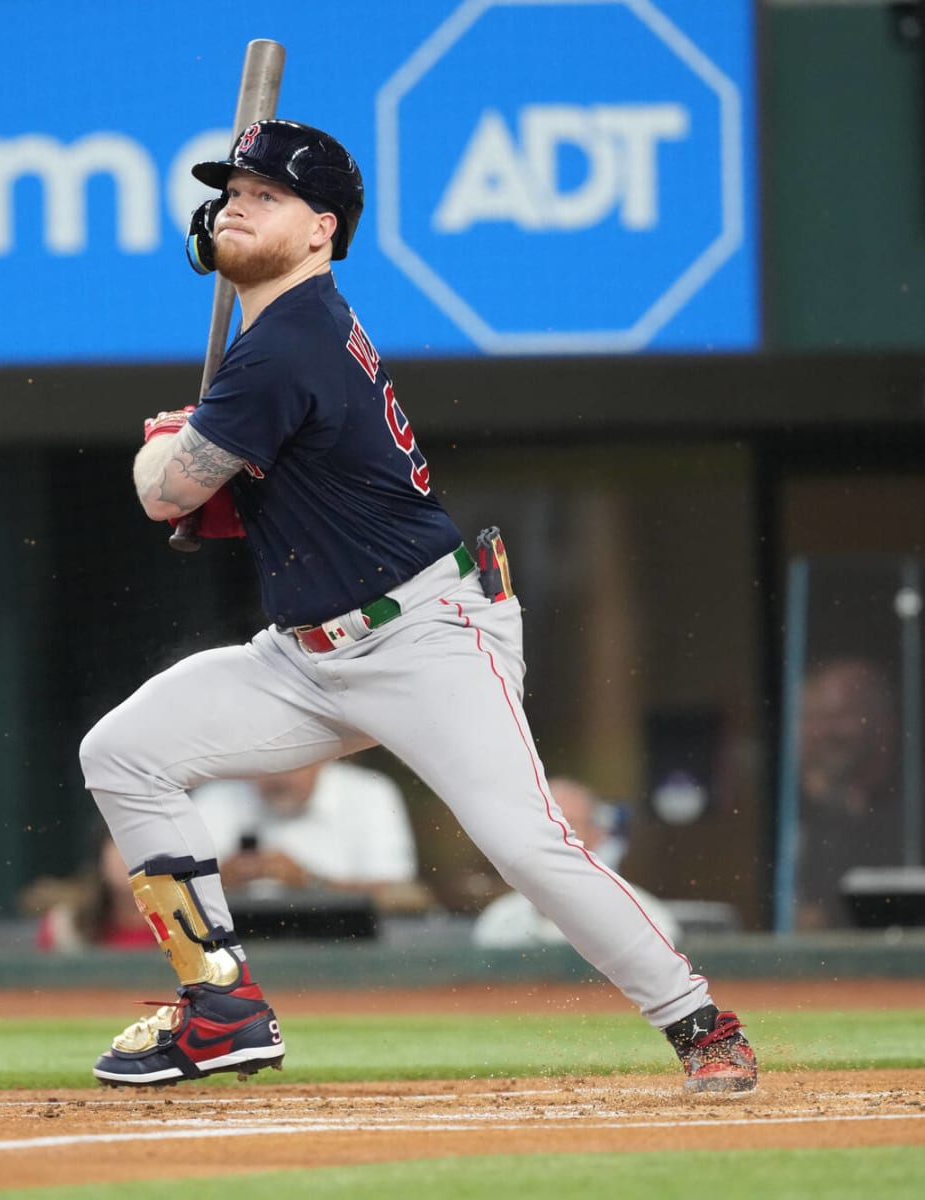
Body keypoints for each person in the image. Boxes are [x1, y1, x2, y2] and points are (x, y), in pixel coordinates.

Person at [78, 119, 756, 1094]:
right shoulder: (283, 340)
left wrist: (173, 443)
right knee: (122, 753)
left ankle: (701, 1023)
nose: (239, 202)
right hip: (307, 656)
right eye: (233, 190)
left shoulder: (287, 343)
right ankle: (220, 1003)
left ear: (321, 229)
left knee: (526, 844)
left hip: (426, 635)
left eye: (266, 194)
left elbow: (162, 492)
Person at [192, 760, 428, 911]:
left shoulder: (369, 794)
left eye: (292, 762)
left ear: (322, 757)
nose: (279, 778)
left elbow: (403, 898)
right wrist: (218, 882)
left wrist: (311, 882)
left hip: (344, 951)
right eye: (265, 763)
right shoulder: (214, 798)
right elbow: (171, 898)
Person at [473, 778, 682, 948]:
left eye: (569, 825)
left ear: (596, 835)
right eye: (542, 827)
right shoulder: (500, 923)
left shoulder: (647, 919)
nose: (554, 837)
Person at [795, 657, 903, 929]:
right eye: (814, 719)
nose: (825, 732)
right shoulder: (794, 809)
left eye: (840, 716)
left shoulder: (909, 807)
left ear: (884, 722)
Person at [31, 828, 155, 952]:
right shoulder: (65, 927)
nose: (130, 856)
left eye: (143, 846)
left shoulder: (173, 923)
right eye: (120, 844)